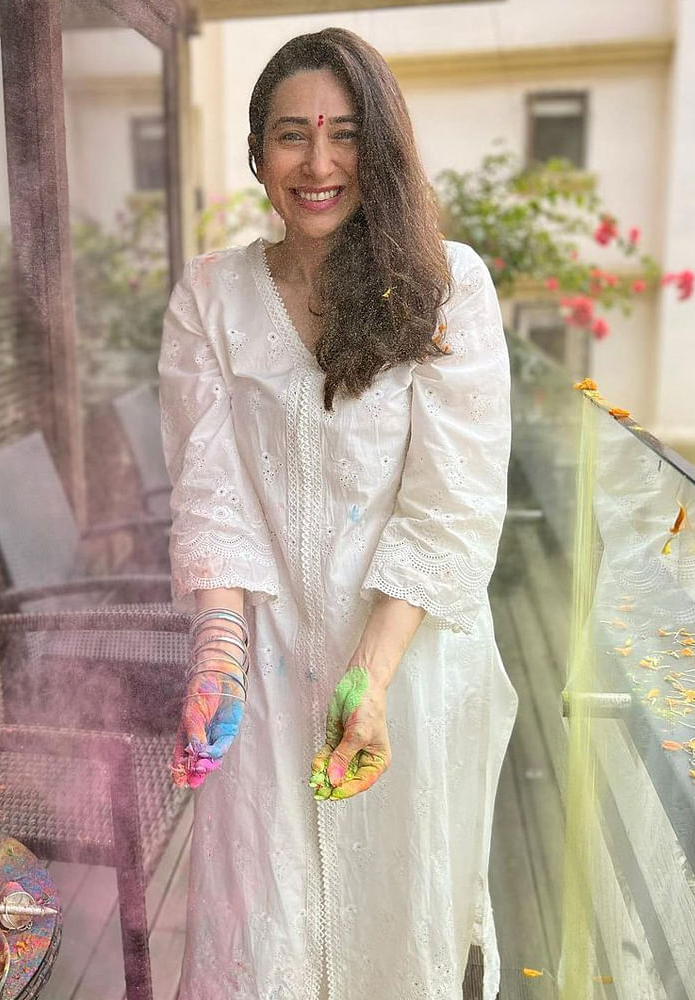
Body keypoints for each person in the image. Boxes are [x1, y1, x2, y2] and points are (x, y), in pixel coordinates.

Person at [157, 26, 518, 1000]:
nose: (317, 163)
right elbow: (212, 491)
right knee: (260, 931)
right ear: (256, 154)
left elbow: (452, 503)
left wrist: (371, 672)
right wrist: (218, 656)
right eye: (289, 136)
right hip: (264, 667)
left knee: (393, 924)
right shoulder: (210, 295)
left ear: (382, 148)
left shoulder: (447, 289)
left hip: (405, 656)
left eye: (344, 134)